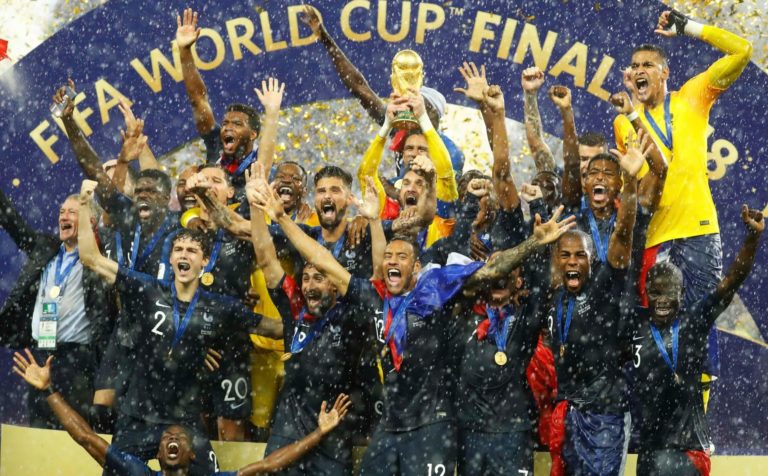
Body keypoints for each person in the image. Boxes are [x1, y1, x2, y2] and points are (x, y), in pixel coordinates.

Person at [76, 182, 282, 476]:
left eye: (192, 250)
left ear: (204, 262)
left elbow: (273, 329)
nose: (184, 255)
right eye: (179, 250)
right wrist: (84, 205)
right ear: (171, 258)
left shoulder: (219, 306)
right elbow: (91, 258)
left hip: (184, 421)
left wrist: (310, 319)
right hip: (138, 416)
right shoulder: (147, 289)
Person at [12, 349, 352, 476]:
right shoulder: (137, 472)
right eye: (166, 439)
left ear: (192, 454)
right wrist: (48, 390)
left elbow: (270, 464)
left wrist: (319, 433)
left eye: (179, 437)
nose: (171, 438)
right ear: (158, 455)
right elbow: (85, 437)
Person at [248, 163, 383, 474]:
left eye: (319, 278)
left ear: (335, 285)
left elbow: (377, 279)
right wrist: (256, 206)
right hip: (287, 430)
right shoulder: (295, 309)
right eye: (306, 278)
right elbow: (266, 257)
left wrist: (375, 221)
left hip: (334, 432)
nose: (309, 285)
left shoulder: (351, 313)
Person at [627, 206, 763, 475]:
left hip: (687, 449)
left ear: (682, 294)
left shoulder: (694, 321)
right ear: (646, 293)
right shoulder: (634, 324)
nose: (662, 300)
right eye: (655, 292)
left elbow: (731, 281)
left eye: (670, 292)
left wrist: (752, 238)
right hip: (649, 450)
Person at [545, 144, 644, 476]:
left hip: (604, 414)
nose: (573, 262)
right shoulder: (553, 296)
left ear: (592, 261)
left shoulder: (603, 288)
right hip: (568, 412)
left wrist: (631, 183)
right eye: (566, 256)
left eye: (580, 256)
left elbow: (623, 237)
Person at [0, 187, 113, 430]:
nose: (64, 216)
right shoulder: (45, 248)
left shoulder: (100, 257)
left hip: (77, 361)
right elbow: (13, 223)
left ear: (90, 222)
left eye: (72, 212)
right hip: (41, 354)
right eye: (62, 212)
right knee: (40, 427)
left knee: (76, 430)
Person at [177, 8, 279, 199]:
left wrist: (272, 112)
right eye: (225, 123)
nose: (227, 128)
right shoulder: (216, 143)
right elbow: (198, 100)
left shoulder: (261, 168)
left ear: (253, 134)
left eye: (237, 124)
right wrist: (184, 51)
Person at [358, 91, 458, 249]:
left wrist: (423, 118)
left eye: (422, 149)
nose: (414, 153)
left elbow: (446, 173)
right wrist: (387, 125)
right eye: (409, 148)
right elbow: (365, 175)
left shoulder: (441, 195)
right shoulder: (387, 205)